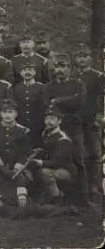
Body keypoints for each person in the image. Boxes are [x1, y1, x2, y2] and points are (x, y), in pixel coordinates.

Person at [0, 137, 76, 218]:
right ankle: (46, 209)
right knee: (15, 214)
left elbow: (16, 175)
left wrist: (21, 192)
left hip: (12, 195)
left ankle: (63, 210)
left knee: (31, 209)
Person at [44, 53, 88, 203]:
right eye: (57, 66)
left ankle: (83, 196)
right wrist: (68, 102)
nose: (59, 70)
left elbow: (80, 100)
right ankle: (57, 196)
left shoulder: (78, 84)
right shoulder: (49, 86)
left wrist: (57, 101)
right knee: (56, 161)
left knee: (79, 161)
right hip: (55, 130)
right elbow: (47, 104)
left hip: (74, 128)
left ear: (69, 68)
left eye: (63, 66)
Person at [29, 106, 81, 205]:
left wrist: (40, 162)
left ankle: (57, 197)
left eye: (52, 119)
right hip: (54, 166)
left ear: (59, 121)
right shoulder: (46, 132)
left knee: (44, 173)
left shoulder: (63, 139)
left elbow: (59, 162)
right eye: (47, 118)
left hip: (67, 170)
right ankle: (44, 195)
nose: (48, 121)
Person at [72, 44, 105, 195]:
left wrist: (99, 116)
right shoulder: (72, 76)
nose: (82, 60)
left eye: (85, 56)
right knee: (79, 151)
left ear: (91, 58)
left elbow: (101, 97)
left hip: (92, 119)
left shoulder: (98, 76)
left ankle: (95, 184)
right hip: (76, 119)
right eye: (79, 57)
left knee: (95, 153)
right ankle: (80, 184)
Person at [0, 99, 32, 172]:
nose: (7, 115)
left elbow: (26, 151)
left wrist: (20, 162)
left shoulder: (23, 131)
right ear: (0, 114)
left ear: (16, 114)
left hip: (16, 167)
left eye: (10, 112)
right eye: (4, 112)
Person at [13, 61, 47, 146]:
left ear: (35, 72)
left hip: (38, 125)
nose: (27, 72)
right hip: (21, 124)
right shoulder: (16, 88)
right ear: (21, 73)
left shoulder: (42, 87)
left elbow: (45, 106)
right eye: (24, 70)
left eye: (30, 70)